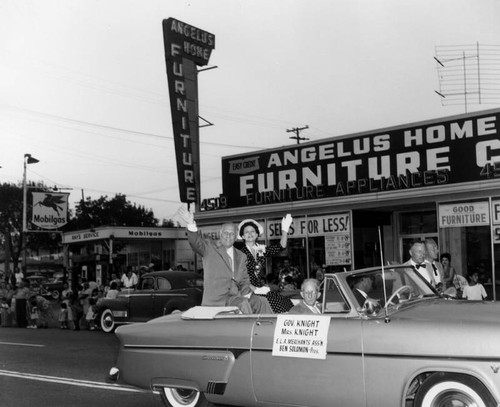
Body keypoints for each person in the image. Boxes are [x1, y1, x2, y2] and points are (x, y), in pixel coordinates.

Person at [178, 206, 272, 314]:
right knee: (243, 303)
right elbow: (195, 243)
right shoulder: (209, 248)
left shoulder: (241, 256)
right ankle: (247, 329)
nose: (228, 236)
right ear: (220, 233)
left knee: (262, 301)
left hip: (234, 298)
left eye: (232, 233)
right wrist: (190, 223)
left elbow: (244, 280)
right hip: (216, 302)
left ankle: (269, 328)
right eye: (226, 233)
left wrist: (251, 293)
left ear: (236, 236)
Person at [236, 216, 294, 313]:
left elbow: (281, 246)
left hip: (259, 288)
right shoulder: (239, 253)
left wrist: (284, 230)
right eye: (247, 232)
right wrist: (254, 289)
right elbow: (239, 277)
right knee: (270, 302)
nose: (250, 234)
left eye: (253, 231)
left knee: (284, 302)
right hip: (246, 289)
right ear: (242, 236)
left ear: (257, 234)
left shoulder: (261, 249)